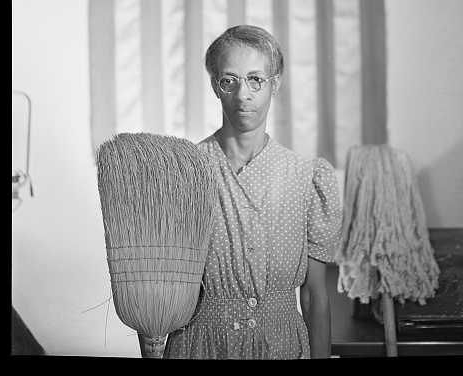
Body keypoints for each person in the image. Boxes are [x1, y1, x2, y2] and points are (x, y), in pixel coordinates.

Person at [144, 25, 342, 360]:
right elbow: (158, 284)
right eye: (229, 80)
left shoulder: (305, 178)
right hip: (201, 345)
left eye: (255, 80)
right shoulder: (185, 172)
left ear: (274, 84)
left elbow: (314, 296)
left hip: (282, 347)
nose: (242, 95)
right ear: (215, 87)